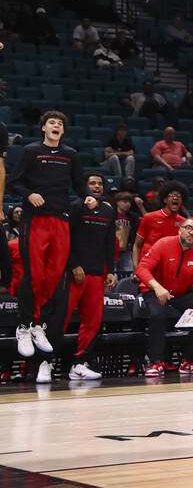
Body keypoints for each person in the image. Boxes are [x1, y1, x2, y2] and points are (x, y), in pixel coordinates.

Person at [8, 111, 93, 381]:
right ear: (43, 127)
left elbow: (80, 185)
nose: (56, 126)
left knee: (54, 277)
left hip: (62, 218)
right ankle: (24, 326)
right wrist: (28, 194)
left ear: (63, 131)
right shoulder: (30, 151)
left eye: (60, 124)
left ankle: (38, 326)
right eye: (52, 122)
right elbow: (13, 182)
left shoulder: (71, 154)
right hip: (36, 219)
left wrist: (89, 197)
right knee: (33, 274)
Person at [137, 216, 193, 376]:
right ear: (180, 229)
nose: (192, 232)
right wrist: (157, 287)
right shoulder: (163, 244)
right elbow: (142, 269)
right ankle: (156, 362)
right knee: (158, 314)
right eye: (188, 228)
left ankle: (190, 361)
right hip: (154, 290)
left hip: (181, 293)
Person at [63, 174, 116, 380]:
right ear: (84, 186)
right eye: (92, 183)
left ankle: (79, 363)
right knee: (61, 319)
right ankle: (45, 362)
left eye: (100, 183)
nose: (97, 186)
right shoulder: (75, 207)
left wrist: (110, 270)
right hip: (72, 273)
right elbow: (65, 239)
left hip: (95, 274)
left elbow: (110, 243)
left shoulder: (108, 211)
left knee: (93, 322)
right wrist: (74, 264)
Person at [132, 181, 189, 268]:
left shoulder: (184, 223)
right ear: (164, 199)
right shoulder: (149, 218)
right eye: (171, 195)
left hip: (170, 268)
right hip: (148, 267)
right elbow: (137, 246)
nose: (175, 198)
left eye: (179, 196)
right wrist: (136, 269)